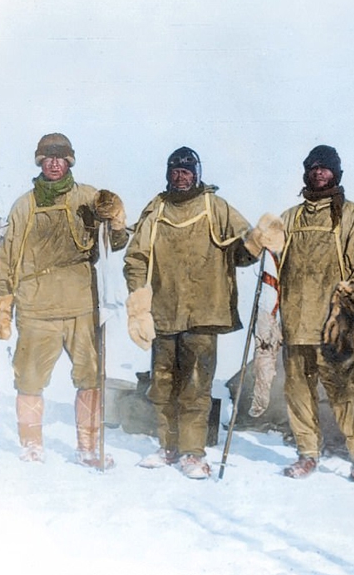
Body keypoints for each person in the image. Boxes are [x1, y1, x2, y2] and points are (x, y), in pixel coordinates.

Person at [124, 147, 284, 479]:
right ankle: (168, 447)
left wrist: (256, 242)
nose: (180, 176)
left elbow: (240, 253)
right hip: (164, 312)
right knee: (163, 384)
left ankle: (192, 453)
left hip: (204, 311)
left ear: (197, 173)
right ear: (168, 174)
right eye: (175, 170)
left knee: (195, 385)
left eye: (186, 170)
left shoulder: (216, 207)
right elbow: (136, 258)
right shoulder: (156, 210)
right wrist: (139, 302)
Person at [0, 132, 129, 467]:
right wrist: (1, 301)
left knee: (90, 376)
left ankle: (88, 446)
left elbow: (117, 241)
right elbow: (6, 256)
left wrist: (115, 218)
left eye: (61, 158)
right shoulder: (24, 205)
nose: (55, 164)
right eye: (48, 158)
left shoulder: (88, 197)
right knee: (28, 378)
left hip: (81, 305)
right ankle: (32, 445)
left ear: (69, 161)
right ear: (40, 161)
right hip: (36, 308)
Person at [277, 145, 354, 485]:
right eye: (312, 167)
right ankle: (307, 453)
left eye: (325, 168)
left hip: (336, 323)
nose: (318, 173)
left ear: (336, 173)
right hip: (296, 320)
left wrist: (349, 305)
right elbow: (272, 266)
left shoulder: (353, 215)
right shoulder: (290, 217)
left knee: (347, 392)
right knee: (298, 390)